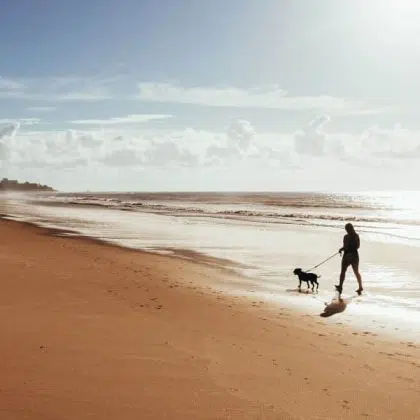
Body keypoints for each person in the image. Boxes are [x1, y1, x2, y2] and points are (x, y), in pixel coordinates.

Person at [335, 223, 363, 296]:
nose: (347, 230)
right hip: (351, 255)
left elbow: (357, 246)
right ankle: (340, 286)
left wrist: (347, 248)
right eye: (346, 229)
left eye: (347, 229)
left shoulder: (354, 236)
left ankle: (360, 286)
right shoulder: (348, 236)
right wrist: (342, 249)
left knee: (353, 271)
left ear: (351, 228)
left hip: (351, 255)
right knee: (345, 271)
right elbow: (348, 246)